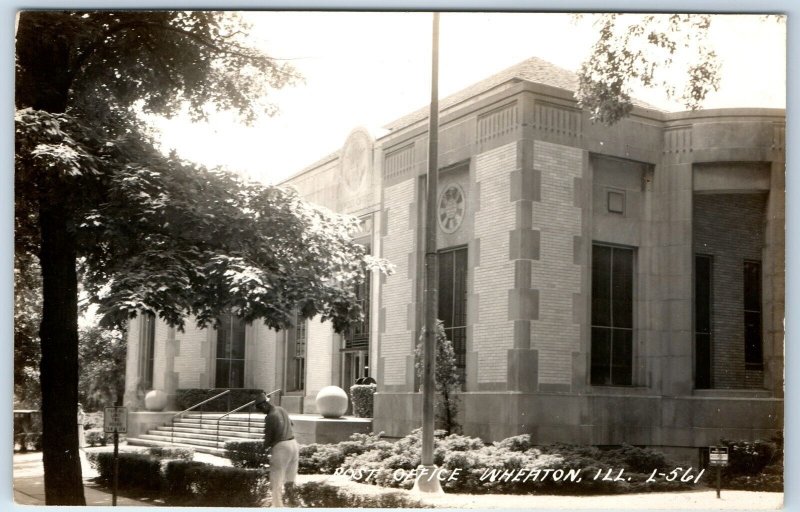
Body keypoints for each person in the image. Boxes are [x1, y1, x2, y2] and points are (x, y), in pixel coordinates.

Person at [254, 392, 298, 507]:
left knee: (276, 479)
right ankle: (292, 503)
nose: (261, 412)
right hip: (293, 444)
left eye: (260, 409)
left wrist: (263, 450)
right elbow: (291, 424)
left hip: (281, 447)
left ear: (264, 405)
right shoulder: (281, 409)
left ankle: (277, 506)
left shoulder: (270, 416)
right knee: (290, 479)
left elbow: (268, 438)